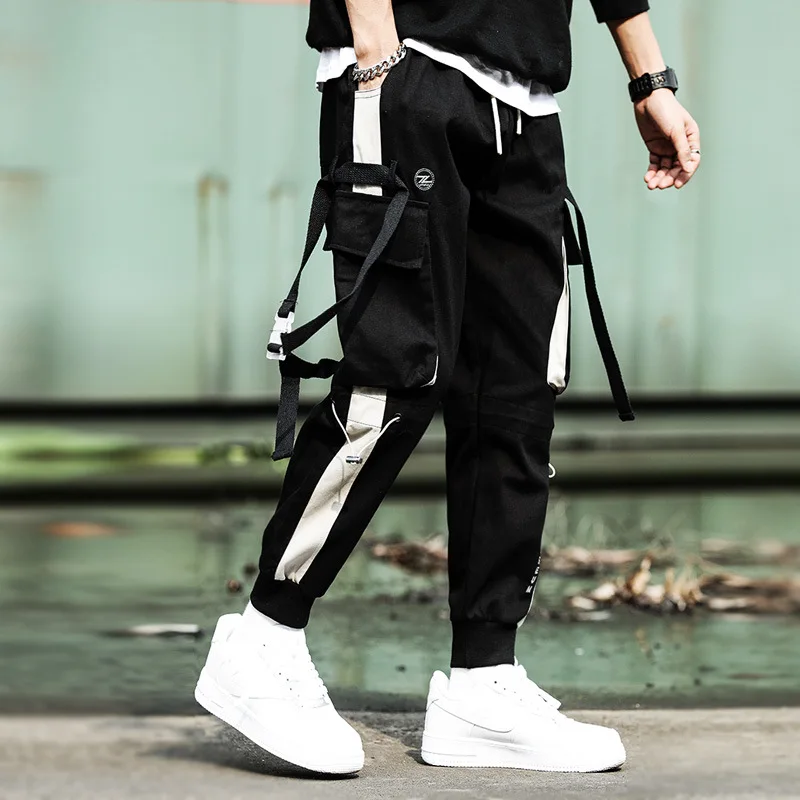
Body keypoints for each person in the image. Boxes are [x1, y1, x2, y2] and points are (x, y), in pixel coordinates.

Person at [195, 0, 701, 775]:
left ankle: (483, 683)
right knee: (398, 373)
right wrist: (376, 48)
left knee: (516, 393)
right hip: (410, 64)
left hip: (526, 96)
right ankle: (265, 634)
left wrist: (650, 78)